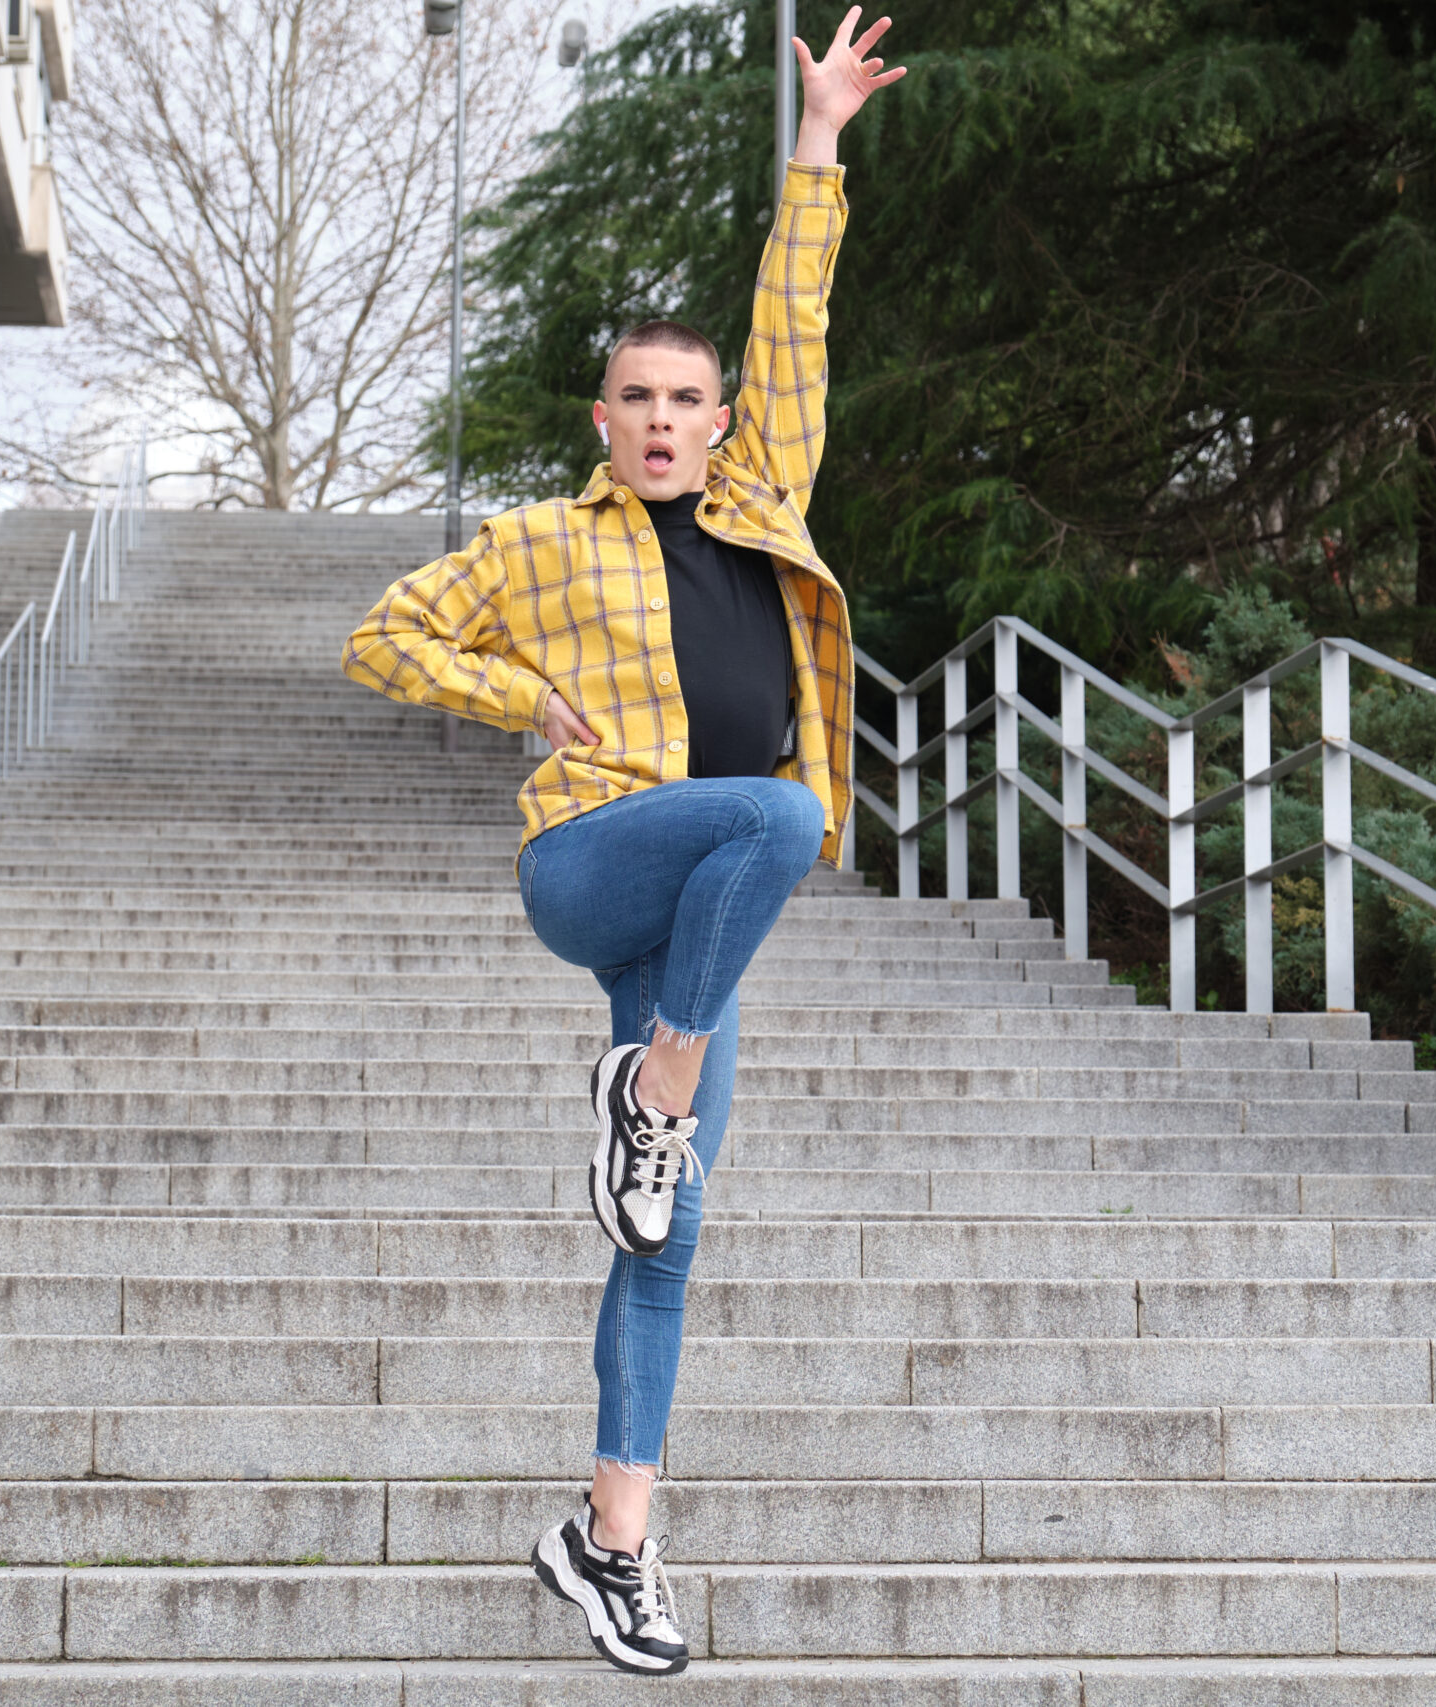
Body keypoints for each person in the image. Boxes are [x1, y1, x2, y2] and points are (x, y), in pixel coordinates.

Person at [341, 9, 902, 1676]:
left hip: (697, 924)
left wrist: (819, 144)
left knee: (662, 1235)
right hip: (587, 869)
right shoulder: (535, 544)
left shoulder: (764, 497)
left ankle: (610, 1540)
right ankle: (651, 1090)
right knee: (790, 813)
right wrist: (512, 694)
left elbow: (793, 324)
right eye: (638, 399)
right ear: (602, 419)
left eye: (688, 399)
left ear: (721, 423)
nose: (665, 421)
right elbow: (379, 635)